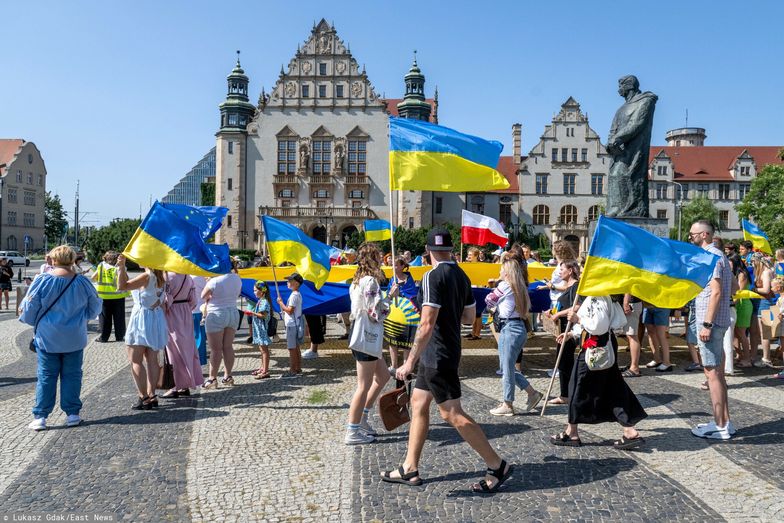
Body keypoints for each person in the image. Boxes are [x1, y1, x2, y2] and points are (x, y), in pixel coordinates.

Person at [382, 228, 513, 493]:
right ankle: (410, 468)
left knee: (451, 412)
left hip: (437, 354)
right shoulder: (461, 276)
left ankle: (497, 465)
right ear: (451, 250)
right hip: (446, 350)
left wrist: (408, 363)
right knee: (418, 403)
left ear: (429, 251)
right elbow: (467, 318)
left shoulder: (431, 276)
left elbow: (427, 323)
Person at [20, 245, 102, 431]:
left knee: (46, 376)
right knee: (72, 375)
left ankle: (41, 416)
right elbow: (95, 307)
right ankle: (72, 414)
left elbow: (29, 308)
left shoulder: (42, 280)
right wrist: (82, 318)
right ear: (73, 260)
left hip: (48, 336)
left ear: (53, 260)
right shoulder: (82, 282)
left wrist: (36, 322)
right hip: (74, 336)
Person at [550, 295, 647, 448]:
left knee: (577, 385)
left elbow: (598, 326)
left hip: (596, 347)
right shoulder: (599, 296)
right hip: (601, 345)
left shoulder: (598, 297)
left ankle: (571, 432)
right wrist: (571, 334)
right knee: (612, 387)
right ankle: (629, 431)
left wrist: (578, 319)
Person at [688, 220, 737, 440]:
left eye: (693, 234)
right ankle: (724, 421)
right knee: (716, 372)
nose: (691, 237)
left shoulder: (711, 256)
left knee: (712, 374)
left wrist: (707, 323)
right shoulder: (721, 257)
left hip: (711, 321)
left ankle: (720, 425)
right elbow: (734, 286)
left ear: (705, 234)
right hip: (719, 319)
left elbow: (716, 291)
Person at [345, 243, 396, 444]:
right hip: (367, 337)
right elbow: (377, 313)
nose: (382, 259)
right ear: (373, 259)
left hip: (364, 336)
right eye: (379, 256)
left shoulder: (356, 281)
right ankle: (352, 431)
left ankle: (363, 418)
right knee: (363, 386)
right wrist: (390, 298)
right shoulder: (371, 282)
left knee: (383, 376)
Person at [485, 258, 543, 415]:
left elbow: (489, 299)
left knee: (506, 369)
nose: (499, 272)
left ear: (506, 272)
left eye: (501, 270)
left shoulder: (505, 285)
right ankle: (532, 393)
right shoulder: (521, 287)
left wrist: (492, 302)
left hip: (509, 328)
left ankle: (508, 404)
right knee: (507, 367)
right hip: (518, 328)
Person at [117, 255, 168, 410]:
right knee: (152, 359)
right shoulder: (161, 277)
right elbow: (129, 284)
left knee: (135, 360)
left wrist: (120, 268)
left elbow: (122, 286)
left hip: (142, 319)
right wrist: (123, 268)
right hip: (155, 318)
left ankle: (143, 396)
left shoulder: (146, 276)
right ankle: (152, 394)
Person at [544, 260, 581, 403]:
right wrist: (552, 311)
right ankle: (565, 394)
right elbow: (563, 305)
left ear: (570, 270)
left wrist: (559, 314)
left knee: (565, 361)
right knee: (563, 361)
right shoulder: (568, 287)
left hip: (569, 330)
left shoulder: (576, 286)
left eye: (562, 269)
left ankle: (569, 394)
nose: (559, 272)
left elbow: (577, 306)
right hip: (562, 329)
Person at [201, 263, 243, 388]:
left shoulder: (214, 280)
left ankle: (212, 378)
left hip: (216, 314)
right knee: (228, 347)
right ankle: (227, 376)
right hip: (233, 312)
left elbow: (203, 296)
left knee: (216, 349)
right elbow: (238, 293)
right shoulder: (236, 278)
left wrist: (209, 283)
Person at [161, 272, 203, 398]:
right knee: (187, 349)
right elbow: (193, 300)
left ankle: (174, 386)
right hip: (185, 311)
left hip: (172, 312)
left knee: (173, 350)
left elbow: (166, 299)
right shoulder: (188, 277)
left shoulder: (168, 277)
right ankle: (185, 385)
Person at [384, 256, 419, 372]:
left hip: (407, 314)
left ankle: (405, 364)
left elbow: (413, 295)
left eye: (396, 265)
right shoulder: (392, 280)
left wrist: (402, 294)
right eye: (392, 264)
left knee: (407, 340)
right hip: (394, 314)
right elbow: (388, 295)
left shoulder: (409, 279)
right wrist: (392, 293)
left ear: (403, 266)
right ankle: (393, 365)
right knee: (392, 340)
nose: (393, 267)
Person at [91, 250, 129, 343]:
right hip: (118, 296)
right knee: (119, 318)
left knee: (104, 318)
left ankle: (104, 337)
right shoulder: (120, 267)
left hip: (104, 296)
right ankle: (120, 336)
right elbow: (126, 279)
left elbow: (93, 277)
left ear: (105, 258)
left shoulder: (101, 266)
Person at [749, 253, 776, 368]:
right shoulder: (760, 271)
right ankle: (753, 356)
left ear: (758, 261)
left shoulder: (766, 272)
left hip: (766, 303)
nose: (752, 264)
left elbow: (766, 290)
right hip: (758, 303)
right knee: (755, 332)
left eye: (753, 262)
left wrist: (754, 289)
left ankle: (766, 358)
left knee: (765, 333)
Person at [277, 272, 304, 378]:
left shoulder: (294, 295)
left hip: (292, 324)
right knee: (296, 347)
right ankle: (297, 368)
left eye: (290, 281)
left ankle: (293, 370)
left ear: (296, 283)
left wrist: (281, 303)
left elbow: (290, 310)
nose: (288, 282)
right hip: (295, 323)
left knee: (291, 348)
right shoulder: (297, 294)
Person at [247, 281, 272, 379]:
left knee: (264, 350)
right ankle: (262, 368)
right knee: (262, 350)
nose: (254, 292)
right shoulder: (261, 300)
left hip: (262, 329)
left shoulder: (264, 302)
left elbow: (263, 315)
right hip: (259, 329)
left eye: (255, 290)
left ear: (262, 291)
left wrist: (252, 313)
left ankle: (265, 371)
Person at [620, 293, 645, 377]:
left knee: (632, 336)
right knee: (630, 335)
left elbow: (629, 284)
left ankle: (634, 368)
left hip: (632, 303)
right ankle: (633, 365)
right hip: (631, 302)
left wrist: (626, 302)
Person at [641, 306, 673, 372]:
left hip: (661, 305)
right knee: (650, 333)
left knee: (661, 335)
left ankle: (667, 362)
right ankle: (657, 359)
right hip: (648, 306)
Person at [464, 247, 484, 340]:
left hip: (478, 290)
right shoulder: (468, 265)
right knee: (474, 313)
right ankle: (473, 332)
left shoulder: (480, 266)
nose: (468, 256)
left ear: (476, 256)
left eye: (470, 255)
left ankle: (477, 334)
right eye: (468, 255)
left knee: (478, 314)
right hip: (471, 289)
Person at [191, 275, 208, 365]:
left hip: (195, 309)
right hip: (201, 309)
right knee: (200, 337)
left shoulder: (192, 277)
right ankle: (200, 360)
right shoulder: (202, 276)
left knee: (197, 337)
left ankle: (197, 361)